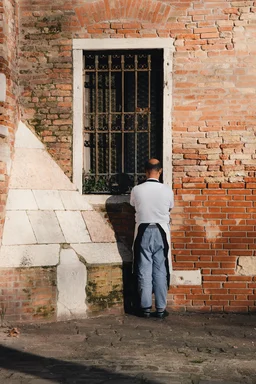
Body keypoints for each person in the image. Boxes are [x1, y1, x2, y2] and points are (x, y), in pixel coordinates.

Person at [130, 159, 174, 319]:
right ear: (160, 171)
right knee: (161, 270)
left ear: (145, 171)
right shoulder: (167, 190)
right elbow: (170, 207)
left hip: (143, 231)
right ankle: (161, 308)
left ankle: (145, 307)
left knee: (144, 269)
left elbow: (133, 205)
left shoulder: (137, 189)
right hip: (161, 231)